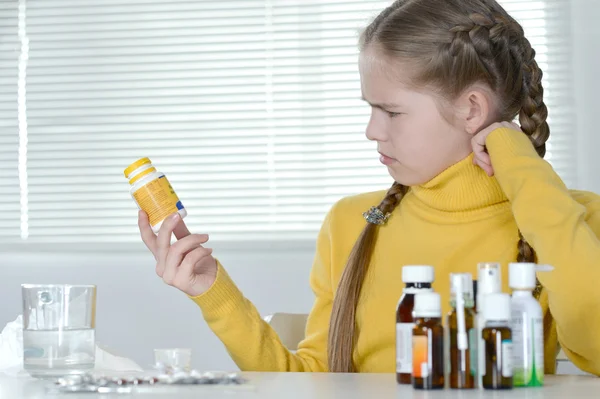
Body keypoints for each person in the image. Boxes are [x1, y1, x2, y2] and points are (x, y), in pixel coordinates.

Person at [138, 0, 600, 374]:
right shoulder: (351, 222)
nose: (372, 131)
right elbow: (312, 381)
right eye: (370, 108)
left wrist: (520, 165)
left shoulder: (566, 219)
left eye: (391, 111)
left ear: (472, 110)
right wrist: (213, 291)